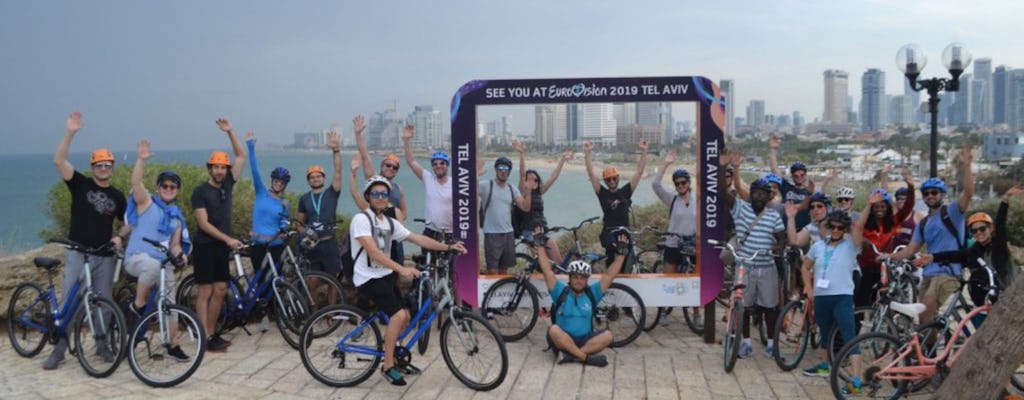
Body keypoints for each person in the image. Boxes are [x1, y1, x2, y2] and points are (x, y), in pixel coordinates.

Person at [351, 176, 467, 386]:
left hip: (384, 275)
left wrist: (449, 247)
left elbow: (418, 239)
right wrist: (402, 269)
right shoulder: (361, 220)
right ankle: (387, 366)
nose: (380, 197)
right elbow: (374, 253)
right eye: (375, 194)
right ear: (368, 197)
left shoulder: (388, 222)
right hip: (367, 278)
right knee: (398, 316)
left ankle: (394, 355)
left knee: (405, 317)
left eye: (384, 194)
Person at [45, 111, 129, 370]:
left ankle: (101, 345)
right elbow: (59, 160)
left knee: (103, 302)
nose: (103, 168)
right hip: (78, 253)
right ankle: (59, 350)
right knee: (71, 298)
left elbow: (127, 223)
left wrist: (119, 236)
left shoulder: (117, 195)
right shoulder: (79, 184)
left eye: (107, 165)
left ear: (112, 168)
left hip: (104, 255)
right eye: (99, 165)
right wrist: (70, 132)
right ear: (92, 167)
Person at [888, 145, 975, 327]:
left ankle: (932, 352)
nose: (930, 196)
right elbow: (911, 249)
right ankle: (929, 350)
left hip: (948, 272)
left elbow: (968, 193)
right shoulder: (924, 223)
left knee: (926, 312)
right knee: (922, 317)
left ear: (942, 194)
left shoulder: (952, 212)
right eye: (926, 194)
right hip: (929, 273)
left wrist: (967, 166)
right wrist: (888, 257)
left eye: (934, 193)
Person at [123, 139, 190, 361]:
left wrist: (182, 255)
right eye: (165, 186)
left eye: (173, 187)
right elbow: (135, 183)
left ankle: (172, 345)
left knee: (171, 304)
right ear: (159, 187)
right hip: (137, 259)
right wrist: (140, 160)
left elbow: (175, 245)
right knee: (151, 265)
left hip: (163, 265)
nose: (169, 189)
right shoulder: (147, 203)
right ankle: (137, 305)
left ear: (177, 190)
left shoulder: (176, 218)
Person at [916, 185, 1022, 310]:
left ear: (991, 229)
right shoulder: (974, 251)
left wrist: (1005, 201)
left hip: (1005, 295)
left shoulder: (998, 246)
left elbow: (1000, 224)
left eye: (982, 228)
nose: (979, 233)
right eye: (974, 230)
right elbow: (954, 255)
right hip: (982, 298)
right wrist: (933, 257)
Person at [534, 226, 628, 367]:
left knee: (609, 336)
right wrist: (540, 246)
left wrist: (621, 255)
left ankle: (572, 355)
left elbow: (609, 275)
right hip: (562, 338)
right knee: (553, 330)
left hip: (585, 339)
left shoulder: (592, 293)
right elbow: (547, 271)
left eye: (582, 278)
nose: (579, 281)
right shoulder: (560, 291)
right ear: (570, 278)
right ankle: (586, 358)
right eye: (575, 277)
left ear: (587, 280)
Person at [722, 151, 786, 359]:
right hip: (744, 266)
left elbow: (782, 237)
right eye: (756, 192)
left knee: (770, 308)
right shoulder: (741, 208)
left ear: (770, 196)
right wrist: (724, 167)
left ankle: (771, 345)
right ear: (751, 194)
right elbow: (722, 192)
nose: (759, 196)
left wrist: (779, 247)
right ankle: (746, 343)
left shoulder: (774, 215)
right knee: (745, 307)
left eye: (763, 193)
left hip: (767, 266)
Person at [191, 118, 247, 352]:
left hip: (221, 247)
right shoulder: (200, 191)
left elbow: (241, 156)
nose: (220, 170)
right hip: (205, 245)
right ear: (209, 169)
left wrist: (230, 131)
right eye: (216, 167)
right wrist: (227, 239)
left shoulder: (227, 185)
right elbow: (203, 223)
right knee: (205, 290)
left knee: (221, 289)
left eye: (223, 167)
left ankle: (211, 333)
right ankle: (203, 335)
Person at [800, 211, 865, 395]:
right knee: (825, 332)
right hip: (821, 296)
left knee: (849, 336)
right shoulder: (818, 246)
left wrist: (868, 205)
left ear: (845, 229)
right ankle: (824, 365)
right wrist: (808, 288)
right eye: (833, 226)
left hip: (842, 296)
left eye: (840, 227)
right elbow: (805, 267)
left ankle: (856, 381)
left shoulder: (852, 245)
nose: (836, 230)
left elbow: (859, 227)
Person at [297, 129, 343, 305]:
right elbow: (298, 224)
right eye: (312, 177)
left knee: (333, 279)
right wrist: (305, 232)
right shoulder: (304, 198)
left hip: (329, 242)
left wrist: (336, 151)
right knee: (313, 282)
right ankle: (313, 313)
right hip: (312, 244)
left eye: (318, 176)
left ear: (324, 178)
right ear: (309, 181)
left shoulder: (332, 193)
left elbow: (338, 171)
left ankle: (331, 314)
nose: (315, 179)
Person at [583, 139, 649, 261]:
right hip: (609, 234)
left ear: (618, 178)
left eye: (614, 178)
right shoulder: (603, 193)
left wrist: (644, 151)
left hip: (625, 233)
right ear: (605, 182)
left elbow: (639, 172)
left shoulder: (625, 191)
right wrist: (587, 153)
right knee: (613, 259)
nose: (612, 181)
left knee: (629, 262)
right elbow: (591, 174)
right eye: (608, 179)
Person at [355, 116, 407, 265]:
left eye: (394, 167)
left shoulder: (398, 188)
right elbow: (365, 156)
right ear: (382, 166)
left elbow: (404, 211)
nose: (390, 168)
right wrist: (358, 135)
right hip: (376, 236)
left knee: (397, 269)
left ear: (396, 171)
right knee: (376, 269)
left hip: (395, 237)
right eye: (387, 165)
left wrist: (399, 223)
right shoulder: (374, 179)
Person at [853, 186, 915, 308]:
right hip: (866, 266)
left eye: (882, 206)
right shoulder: (866, 223)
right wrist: (869, 204)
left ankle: (887, 322)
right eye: (876, 207)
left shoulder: (891, 222)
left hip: (885, 267)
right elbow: (858, 227)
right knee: (862, 301)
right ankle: (857, 325)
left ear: (887, 208)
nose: (879, 209)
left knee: (886, 299)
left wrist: (911, 189)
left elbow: (906, 209)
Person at [515, 140, 571, 263]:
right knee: (543, 262)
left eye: (533, 179)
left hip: (542, 228)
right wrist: (521, 154)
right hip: (529, 230)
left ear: (537, 182)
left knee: (558, 262)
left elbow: (554, 176)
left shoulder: (540, 192)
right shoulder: (523, 192)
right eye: (527, 179)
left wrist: (562, 159)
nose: (530, 181)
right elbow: (521, 173)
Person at [244, 132, 290, 276]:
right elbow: (255, 170)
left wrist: (283, 231)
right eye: (276, 181)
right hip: (258, 243)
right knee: (260, 278)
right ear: (272, 181)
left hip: (276, 245)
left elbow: (284, 222)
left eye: (281, 182)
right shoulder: (261, 192)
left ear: (284, 185)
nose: (278, 184)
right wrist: (251, 148)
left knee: (277, 280)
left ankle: (275, 300)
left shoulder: (285, 202)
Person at [401, 125, 453, 247]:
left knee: (452, 265)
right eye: (435, 164)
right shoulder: (428, 178)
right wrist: (406, 141)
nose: (438, 166)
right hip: (431, 231)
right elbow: (411, 161)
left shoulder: (455, 183)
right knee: (426, 263)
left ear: (447, 165)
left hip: (452, 232)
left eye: (442, 163)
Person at [479, 156, 531, 274]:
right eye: (500, 168)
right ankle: (492, 292)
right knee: (492, 270)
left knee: (504, 270)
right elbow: (467, 189)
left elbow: (525, 207)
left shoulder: (512, 188)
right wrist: (476, 174)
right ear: (495, 169)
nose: (503, 171)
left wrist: (530, 191)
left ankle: (501, 292)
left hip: (508, 233)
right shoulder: (486, 185)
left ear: (509, 171)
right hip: (492, 234)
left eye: (506, 168)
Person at [768, 135, 812, 229]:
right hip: (784, 230)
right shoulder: (787, 188)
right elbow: (775, 170)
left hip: (802, 232)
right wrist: (773, 150)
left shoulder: (810, 192)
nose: (799, 177)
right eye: (796, 175)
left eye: (801, 175)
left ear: (806, 175)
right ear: (792, 176)